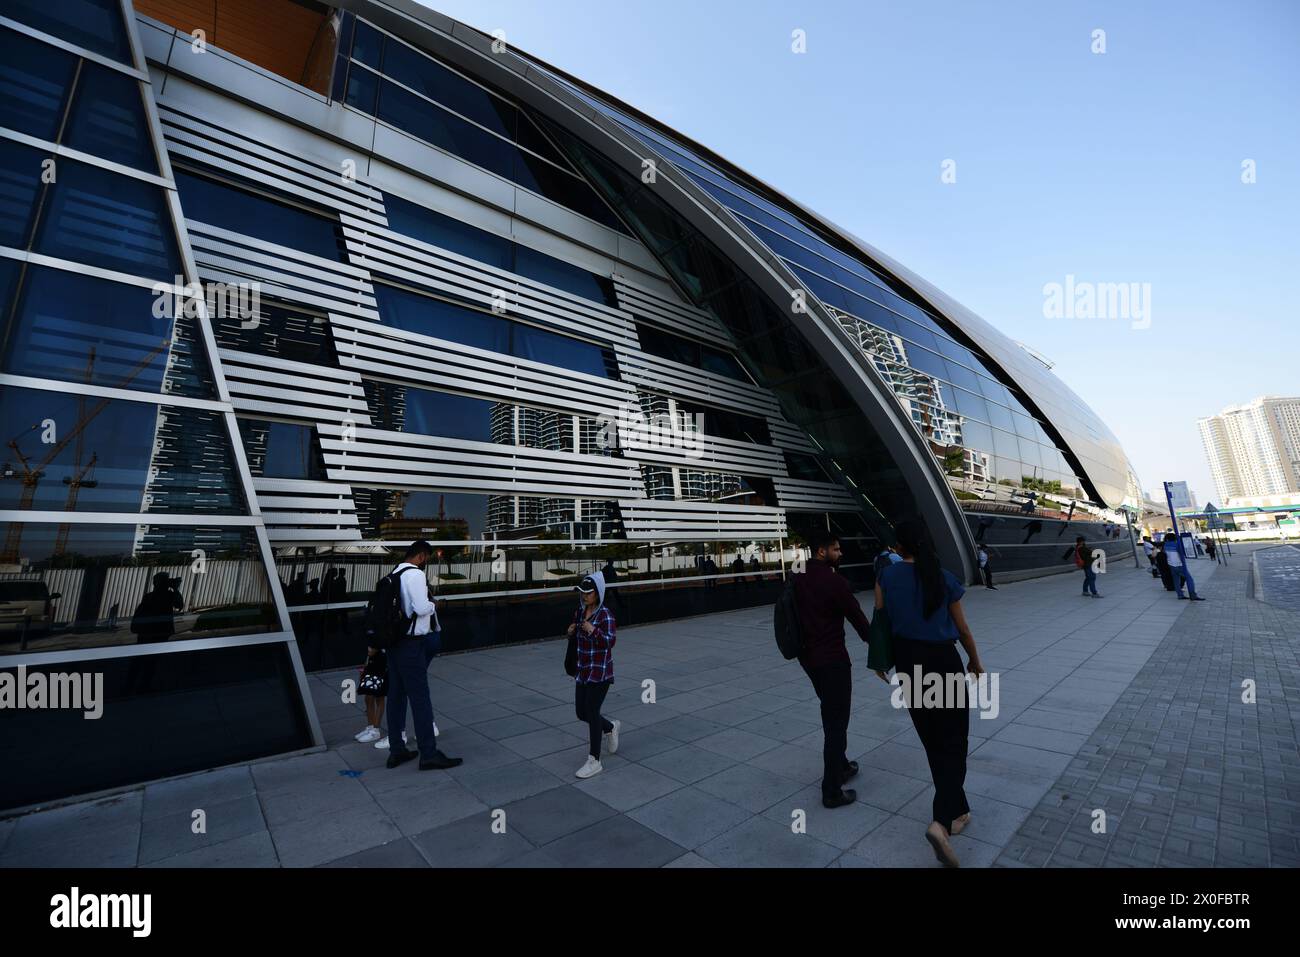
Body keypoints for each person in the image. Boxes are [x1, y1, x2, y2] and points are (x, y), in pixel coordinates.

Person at [875, 519, 984, 868]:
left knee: (934, 742)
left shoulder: (886, 576)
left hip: (908, 663)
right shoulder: (944, 578)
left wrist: (879, 659)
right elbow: (963, 629)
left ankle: (958, 810)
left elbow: (881, 620)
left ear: (899, 546)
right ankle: (941, 823)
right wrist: (975, 661)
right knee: (956, 742)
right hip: (943, 661)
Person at [794, 530, 872, 809]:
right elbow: (858, 619)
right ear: (822, 551)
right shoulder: (835, 581)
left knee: (830, 710)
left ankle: (842, 765)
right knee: (836, 723)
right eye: (836, 549)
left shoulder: (797, 575)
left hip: (808, 659)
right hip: (833, 660)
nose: (840, 553)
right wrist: (880, 649)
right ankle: (832, 790)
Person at [383, 541, 461, 770]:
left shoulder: (394, 573)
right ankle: (428, 753)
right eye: (426, 557)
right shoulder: (415, 574)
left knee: (396, 696)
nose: (426, 562)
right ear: (420, 556)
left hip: (394, 643)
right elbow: (420, 608)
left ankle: (396, 750)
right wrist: (433, 604)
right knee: (420, 699)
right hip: (411, 644)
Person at [567, 572, 619, 779]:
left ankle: (594, 760)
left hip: (600, 672)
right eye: (582, 592)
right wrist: (571, 632)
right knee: (582, 713)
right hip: (583, 670)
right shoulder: (579, 612)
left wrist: (593, 630)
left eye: (588, 592)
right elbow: (576, 639)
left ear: (598, 593)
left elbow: (610, 642)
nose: (584, 595)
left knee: (592, 710)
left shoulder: (605, 615)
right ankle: (610, 727)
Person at [1163, 535, 1206, 601]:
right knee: (1189, 579)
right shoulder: (1176, 544)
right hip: (1179, 565)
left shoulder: (1165, 545)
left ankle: (1180, 595)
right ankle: (1193, 595)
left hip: (1171, 565)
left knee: (1176, 580)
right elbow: (1181, 555)